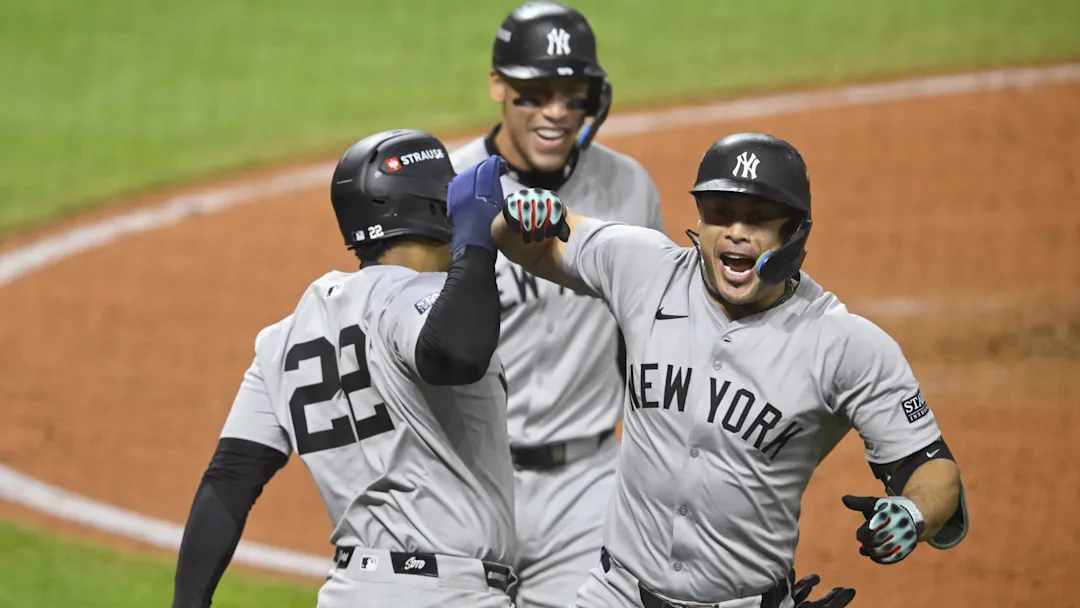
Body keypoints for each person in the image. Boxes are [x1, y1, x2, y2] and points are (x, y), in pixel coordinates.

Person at [490, 132, 969, 608]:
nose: (736, 231)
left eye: (758, 219)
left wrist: (914, 511)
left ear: (795, 231)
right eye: (720, 213)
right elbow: (537, 243)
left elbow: (930, 467)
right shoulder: (645, 270)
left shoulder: (845, 345)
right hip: (614, 595)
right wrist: (522, 217)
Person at [171, 129, 519, 608]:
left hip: (349, 592)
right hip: (450, 595)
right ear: (440, 207)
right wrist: (477, 245)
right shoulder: (415, 298)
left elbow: (229, 480)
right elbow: (457, 354)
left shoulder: (285, 336)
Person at [449, 4, 664, 606]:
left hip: (586, 487)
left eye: (573, 95)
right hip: (467, 481)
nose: (556, 113)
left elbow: (648, 335)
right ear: (498, 85)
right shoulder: (451, 186)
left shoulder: (629, 188)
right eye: (535, 94)